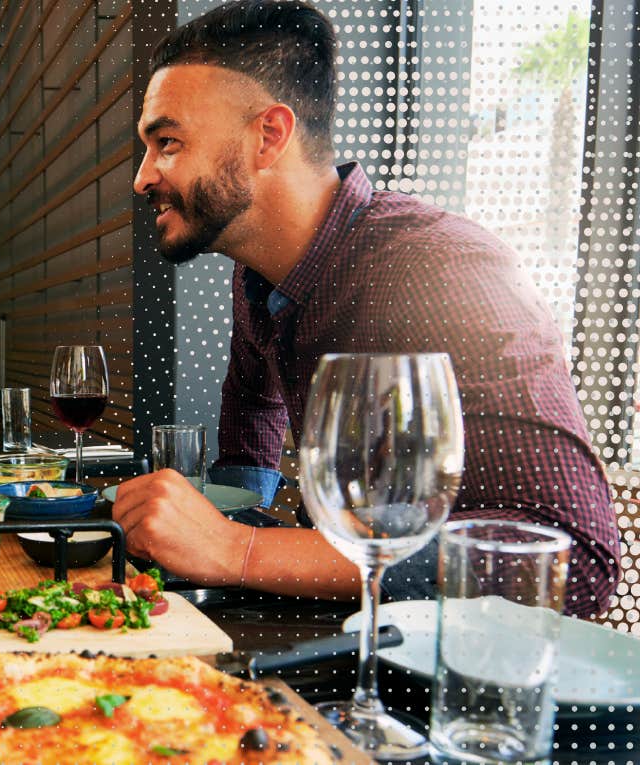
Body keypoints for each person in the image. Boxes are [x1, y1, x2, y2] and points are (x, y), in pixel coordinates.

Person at [115, 0, 620, 617]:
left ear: (269, 136)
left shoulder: (448, 268)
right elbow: (252, 409)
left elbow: (579, 562)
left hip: (447, 688)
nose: (143, 178)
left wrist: (239, 550)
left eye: (167, 143)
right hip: (328, 639)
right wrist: (220, 525)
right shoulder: (255, 277)